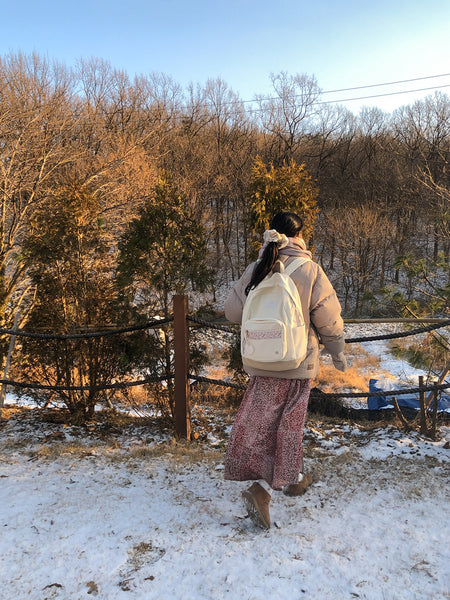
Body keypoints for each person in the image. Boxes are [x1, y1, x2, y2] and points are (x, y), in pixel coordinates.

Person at [223, 210, 347, 530]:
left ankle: (296, 479)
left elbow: (232, 312)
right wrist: (338, 353)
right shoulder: (309, 269)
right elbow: (329, 319)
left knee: (264, 426)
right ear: (300, 235)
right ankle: (263, 490)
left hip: (262, 363)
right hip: (296, 363)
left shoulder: (258, 267)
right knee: (288, 428)